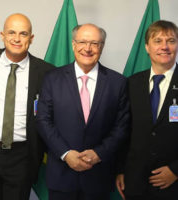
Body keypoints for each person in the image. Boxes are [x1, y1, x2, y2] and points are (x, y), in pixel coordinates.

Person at [36, 24, 130, 200]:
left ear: (102, 47)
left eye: (94, 43)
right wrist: (66, 153)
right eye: (82, 42)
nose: (88, 48)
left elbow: (121, 127)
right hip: (61, 176)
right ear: (73, 45)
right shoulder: (52, 79)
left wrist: (99, 153)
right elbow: (43, 120)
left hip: (98, 177)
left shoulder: (118, 83)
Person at [0, 13, 54, 200]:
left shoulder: (45, 71)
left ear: (31, 38)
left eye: (23, 34)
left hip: (22, 157)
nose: (17, 39)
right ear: (2, 35)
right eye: (11, 32)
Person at [116, 20, 178, 200]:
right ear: (147, 47)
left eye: (171, 41)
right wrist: (120, 170)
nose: (164, 47)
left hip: (173, 186)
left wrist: (175, 170)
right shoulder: (132, 83)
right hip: (135, 182)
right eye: (158, 41)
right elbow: (124, 131)